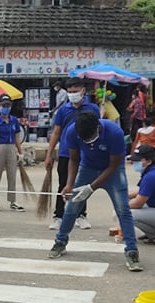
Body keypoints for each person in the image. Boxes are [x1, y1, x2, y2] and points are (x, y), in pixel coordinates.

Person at [48, 111, 142, 272]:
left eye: (90, 138)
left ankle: (132, 251)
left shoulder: (114, 133)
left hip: (112, 170)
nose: (88, 142)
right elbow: (74, 159)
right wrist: (70, 185)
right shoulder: (72, 131)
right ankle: (60, 242)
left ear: (98, 127)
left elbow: (113, 166)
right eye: (84, 140)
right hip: (87, 168)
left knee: (123, 209)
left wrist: (91, 187)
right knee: (72, 207)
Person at [44, 78, 100, 230]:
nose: (72, 95)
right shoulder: (63, 110)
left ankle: (81, 215)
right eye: (69, 92)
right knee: (63, 184)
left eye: (75, 92)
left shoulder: (93, 109)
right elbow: (56, 132)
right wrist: (49, 153)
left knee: (82, 184)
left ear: (83, 91)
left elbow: (98, 130)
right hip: (65, 152)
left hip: (85, 152)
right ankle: (58, 216)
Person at [0, 93, 25, 213]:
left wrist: (20, 152)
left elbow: (17, 137)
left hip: (11, 147)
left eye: (8, 105)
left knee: (12, 175)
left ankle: (12, 201)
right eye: (3, 105)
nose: (6, 107)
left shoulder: (14, 121)